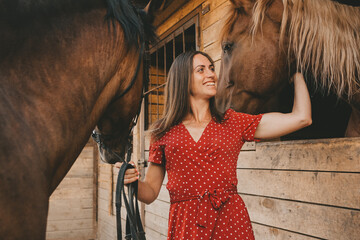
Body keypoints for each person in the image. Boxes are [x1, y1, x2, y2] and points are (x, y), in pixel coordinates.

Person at [115, 51, 312, 239]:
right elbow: (149, 192)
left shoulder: (232, 122)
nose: (211, 74)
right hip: (186, 226)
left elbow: (302, 118)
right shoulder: (163, 132)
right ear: (182, 78)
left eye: (211, 68)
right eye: (201, 70)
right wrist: (131, 180)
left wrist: (295, 72)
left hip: (231, 223)